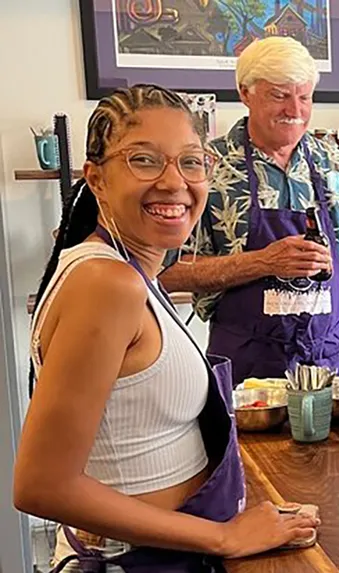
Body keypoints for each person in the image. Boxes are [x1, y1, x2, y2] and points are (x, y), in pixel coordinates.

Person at [13, 85, 318, 572]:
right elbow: (41, 485)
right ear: (96, 179)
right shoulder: (108, 284)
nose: (175, 183)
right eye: (144, 160)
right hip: (140, 562)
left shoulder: (130, 271)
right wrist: (223, 537)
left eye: (191, 162)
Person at [159, 37, 339, 386]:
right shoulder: (203, 169)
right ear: (245, 93)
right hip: (247, 372)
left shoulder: (337, 169)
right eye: (279, 95)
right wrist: (263, 263)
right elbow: (165, 271)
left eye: (304, 97)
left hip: (335, 365)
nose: (294, 109)